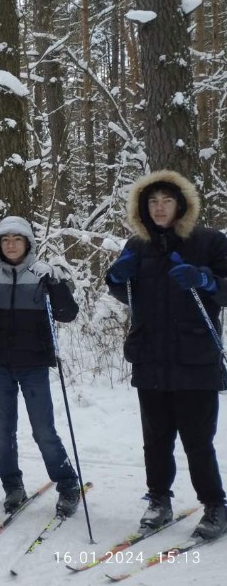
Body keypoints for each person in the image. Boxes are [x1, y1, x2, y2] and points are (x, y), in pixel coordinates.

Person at [105, 170, 227, 540]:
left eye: (166, 201)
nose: (159, 208)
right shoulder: (136, 246)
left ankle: (215, 505)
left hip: (195, 358)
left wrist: (205, 280)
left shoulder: (208, 241)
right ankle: (159, 499)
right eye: (152, 202)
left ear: (182, 205)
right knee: (156, 439)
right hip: (151, 357)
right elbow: (125, 293)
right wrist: (115, 278)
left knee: (197, 440)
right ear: (143, 208)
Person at [0, 216, 82, 516]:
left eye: (17, 239)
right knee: (3, 431)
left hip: (34, 364)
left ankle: (68, 484)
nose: (11, 244)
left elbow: (67, 314)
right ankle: (12, 485)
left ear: (28, 243)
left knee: (43, 430)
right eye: (5, 240)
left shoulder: (40, 275)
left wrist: (55, 283)